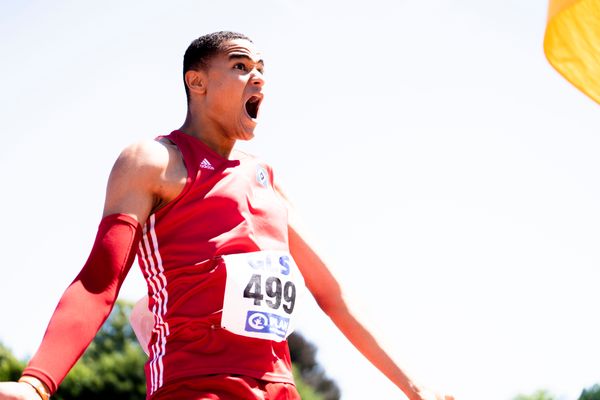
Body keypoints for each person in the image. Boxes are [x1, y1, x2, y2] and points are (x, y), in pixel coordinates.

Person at [0, 31, 454, 400]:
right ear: (196, 82)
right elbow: (100, 281)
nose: (256, 78)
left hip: (278, 390)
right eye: (240, 66)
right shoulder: (156, 161)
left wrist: (415, 389)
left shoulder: (268, 181)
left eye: (261, 70)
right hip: (195, 386)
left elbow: (334, 297)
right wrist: (36, 382)